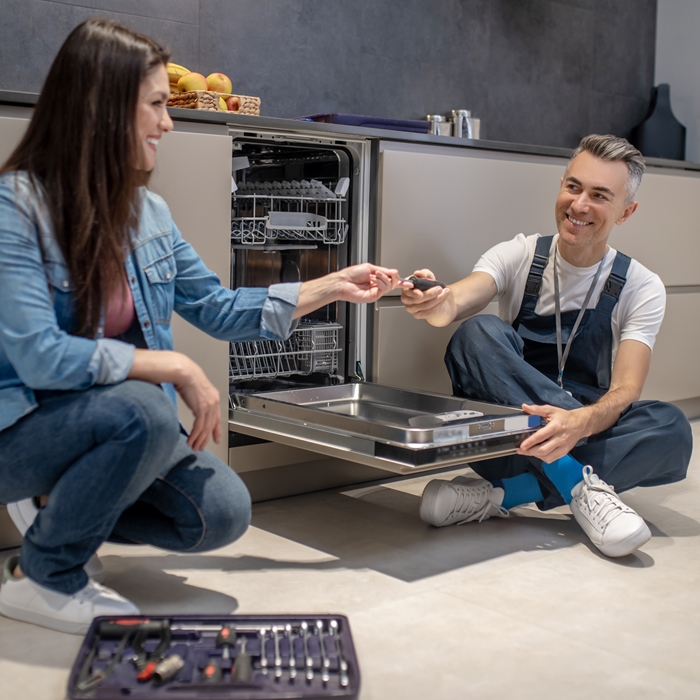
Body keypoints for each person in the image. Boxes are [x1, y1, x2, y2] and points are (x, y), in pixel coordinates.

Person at [0, 18, 407, 634]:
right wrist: (171, 366)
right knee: (144, 406)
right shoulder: (16, 207)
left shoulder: (148, 214)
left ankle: (57, 512)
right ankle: (45, 575)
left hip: (119, 422)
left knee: (220, 512)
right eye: (156, 105)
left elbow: (216, 306)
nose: (168, 123)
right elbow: (39, 355)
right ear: (102, 107)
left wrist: (331, 286)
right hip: (24, 428)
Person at [401, 134, 692, 558]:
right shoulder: (519, 254)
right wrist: (435, 301)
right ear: (561, 186)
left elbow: (626, 390)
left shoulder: (640, 286)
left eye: (599, 196)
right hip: (506, 440)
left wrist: (578, 423)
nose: (579, 205)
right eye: (573, 187)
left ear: (626, 212)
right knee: (476, 333)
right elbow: (456, 302)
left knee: (673, 427)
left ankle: (502, 495)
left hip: (582, 432)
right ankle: (578, 483)